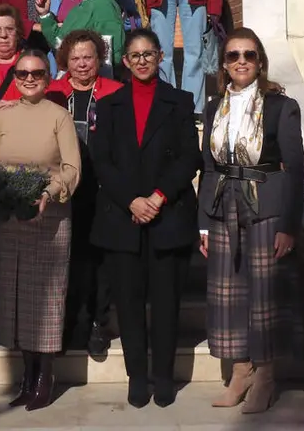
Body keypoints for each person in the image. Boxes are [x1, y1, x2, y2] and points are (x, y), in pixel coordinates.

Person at [89, 29, 201, 409]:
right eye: (134, 55)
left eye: (148, 54)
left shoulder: (180, 101)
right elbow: (100, 160)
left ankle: (164, 377)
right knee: (129, 303)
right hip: (123, 219)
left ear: (159, 58)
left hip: (168, 215)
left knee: (167, 304)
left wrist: (157, 197)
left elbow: (190, 157)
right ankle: (137, 377)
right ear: (124, 61)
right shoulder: (108, 105)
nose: (141, 61)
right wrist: (131, 201)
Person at [199, 28, 304, 414]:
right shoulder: (214, 107)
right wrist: (202, 223)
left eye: (248, 54)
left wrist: (288, 226)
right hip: (222, 206)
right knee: (227, 295)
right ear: (224, 65)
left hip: (267, 207)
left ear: (259, 61)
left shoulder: (281, 106)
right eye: (232, 56)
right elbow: (209, 167)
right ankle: (240, 371)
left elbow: (296, 170)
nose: (240, 61)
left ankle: (265, 375)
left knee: (263, 296)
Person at [0, 49, 81, 411]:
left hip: (50, 215)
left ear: (48, 77)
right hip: (11, 215)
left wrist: (49, 192)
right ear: (14, 77)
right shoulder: (4, 116)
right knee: (16, 297)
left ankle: (45, 376)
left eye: (38, 73)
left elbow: (72, 167)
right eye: (23, 73)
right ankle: (27, 377)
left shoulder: (60, 115)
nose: (29, 78)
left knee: (45, 300)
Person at [47, 30, 122, 356]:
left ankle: (97, 324)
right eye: (75, 58)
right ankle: (67, 323)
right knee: (67, 261)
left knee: (100, 263)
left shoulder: (116, 93)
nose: (81, 64)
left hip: (103, 190)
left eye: (88, 57)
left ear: (99, 59)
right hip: (64, 190)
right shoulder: (52, 93)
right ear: (65, 60)